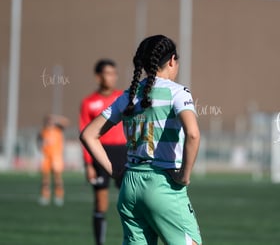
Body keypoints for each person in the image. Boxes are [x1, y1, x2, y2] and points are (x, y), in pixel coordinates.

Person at [80, 34, 202, 245]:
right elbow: (193, 133)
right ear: (172, 60)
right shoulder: (178, 93)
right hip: (163, 184)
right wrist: (184, 176)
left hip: (129, 187)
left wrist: (114, 170)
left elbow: (88, 135)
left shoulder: (127, 96)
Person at [79, 59, 127, 245]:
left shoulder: (123, 97)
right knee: (101, 202)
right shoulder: (88, 103)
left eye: (114, 73)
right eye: (108, 73)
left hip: (123, 152)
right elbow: (84, 133)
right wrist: (88, 164)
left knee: (130, 200)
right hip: (100, 153)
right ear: (98, 76)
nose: (112, 77)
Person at [38, 114, 69, 206]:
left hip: (56, 157)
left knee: (57, 178)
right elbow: (39, 142)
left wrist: (56, 118)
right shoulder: (43, 131)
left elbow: (66, 121)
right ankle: (45, 196)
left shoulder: (58, 130)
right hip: (46, 157)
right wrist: (41, 146)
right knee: (45, 178)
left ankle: (59, 196)